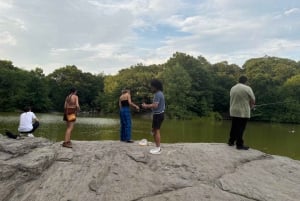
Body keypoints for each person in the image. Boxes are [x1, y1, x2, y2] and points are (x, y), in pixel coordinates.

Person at [228, 76, 255, 150]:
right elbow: (253, 99)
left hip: (233, 110)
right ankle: (239, 145)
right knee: (241, 128)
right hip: (243, 111)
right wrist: (252, 106)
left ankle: (231, 141)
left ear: (239, 81)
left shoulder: (233, 88)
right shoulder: (247, 88)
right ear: (246, 81)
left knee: (234, 126)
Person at [142, 79, 165, 155]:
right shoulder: (159, 93)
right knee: (154, 131)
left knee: (157, 131)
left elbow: (155, 105)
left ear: (155, 87)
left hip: (158, 115)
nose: (151, 88)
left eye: (151, 87)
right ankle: (157, 146)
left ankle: (158, 148)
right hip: (158, 115)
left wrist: (146, 106)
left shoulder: (158, 94)